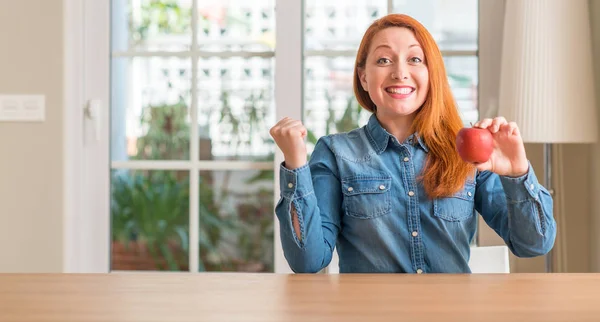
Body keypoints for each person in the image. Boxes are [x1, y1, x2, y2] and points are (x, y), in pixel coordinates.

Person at [269, 14, 556, 274]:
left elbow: (533, 245)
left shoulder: (466, 152)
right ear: (364, 78)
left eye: (415, 60)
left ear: (431, 75)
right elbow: (308, 261)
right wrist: (295, 163)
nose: (400, 72)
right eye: (383, 60)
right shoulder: (336, 152)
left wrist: (517, 172)